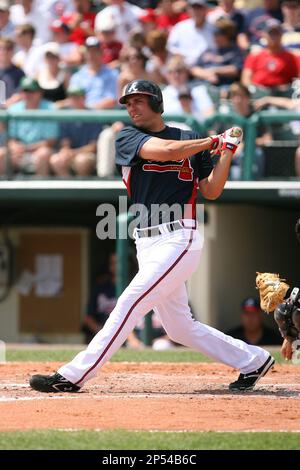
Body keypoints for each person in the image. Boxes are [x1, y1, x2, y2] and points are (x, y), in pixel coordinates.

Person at [30, 79, 275, 394]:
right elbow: (165, 152)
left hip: (179, 237)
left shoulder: (189, 138)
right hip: (146, 241)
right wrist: (211, 140)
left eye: (139, 101)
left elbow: (212, 190)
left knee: (130, 302)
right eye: (128, 102)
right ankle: (253, 360)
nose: (132, 107)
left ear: (157, 103)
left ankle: (73, 375)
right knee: (179, 327)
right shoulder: (128, 137)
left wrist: (226, 150)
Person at [82, 253, 143, 349]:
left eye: (118, 263)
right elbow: (88, 318)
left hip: (132, 337)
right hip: (104, 334)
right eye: (112, 263)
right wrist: (105, 334)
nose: (115, 266)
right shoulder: (101, 288)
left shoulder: (136, 286)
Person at [50, 85, 102, 177]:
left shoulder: (93, 115)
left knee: (81, 161)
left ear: (84, 98)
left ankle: (82, 190)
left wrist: (74, 153)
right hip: (72, 153)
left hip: (88, 154)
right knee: (56, 160)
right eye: (72, 97)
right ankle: (67, 188)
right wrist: (66, 151)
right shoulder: (66, 115)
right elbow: (65, 142)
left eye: (78, 97)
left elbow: (93, 146)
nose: (75, 100)